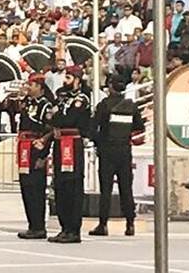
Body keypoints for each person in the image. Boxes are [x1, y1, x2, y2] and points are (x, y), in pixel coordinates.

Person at [89, 69, 145, 237]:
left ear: (111, 87)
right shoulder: (131, 105)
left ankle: (103, 224)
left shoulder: (104, 105)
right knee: (126, 188)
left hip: (107, 151)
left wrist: (99, 142)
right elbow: (139, 127)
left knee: (105, 189)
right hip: (124, 151)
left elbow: (93, 128)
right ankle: (130, 224)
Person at [49, 65, 92, 244]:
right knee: (60, 185)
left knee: (73, 185)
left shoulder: (82, 98)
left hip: (72, 143)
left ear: (76, 79)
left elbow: (69, 119)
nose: (65, 81)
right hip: (59, 143)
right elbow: (51, 117)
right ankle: (64, 227)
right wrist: (56, 118)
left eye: (68, 78)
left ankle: (74, 229)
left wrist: (57, 117)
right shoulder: (61, 96)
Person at [15, 73, 54, 239]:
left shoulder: (45, 105)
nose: (28, 87)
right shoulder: (27, 103)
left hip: (36, 148)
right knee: (26, 187)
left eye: (31, 84)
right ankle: (32, 224)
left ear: (39, 86)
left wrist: (43, 155)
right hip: (24, 148)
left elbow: (49, 130)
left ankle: (39, 225)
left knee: (36, 188)